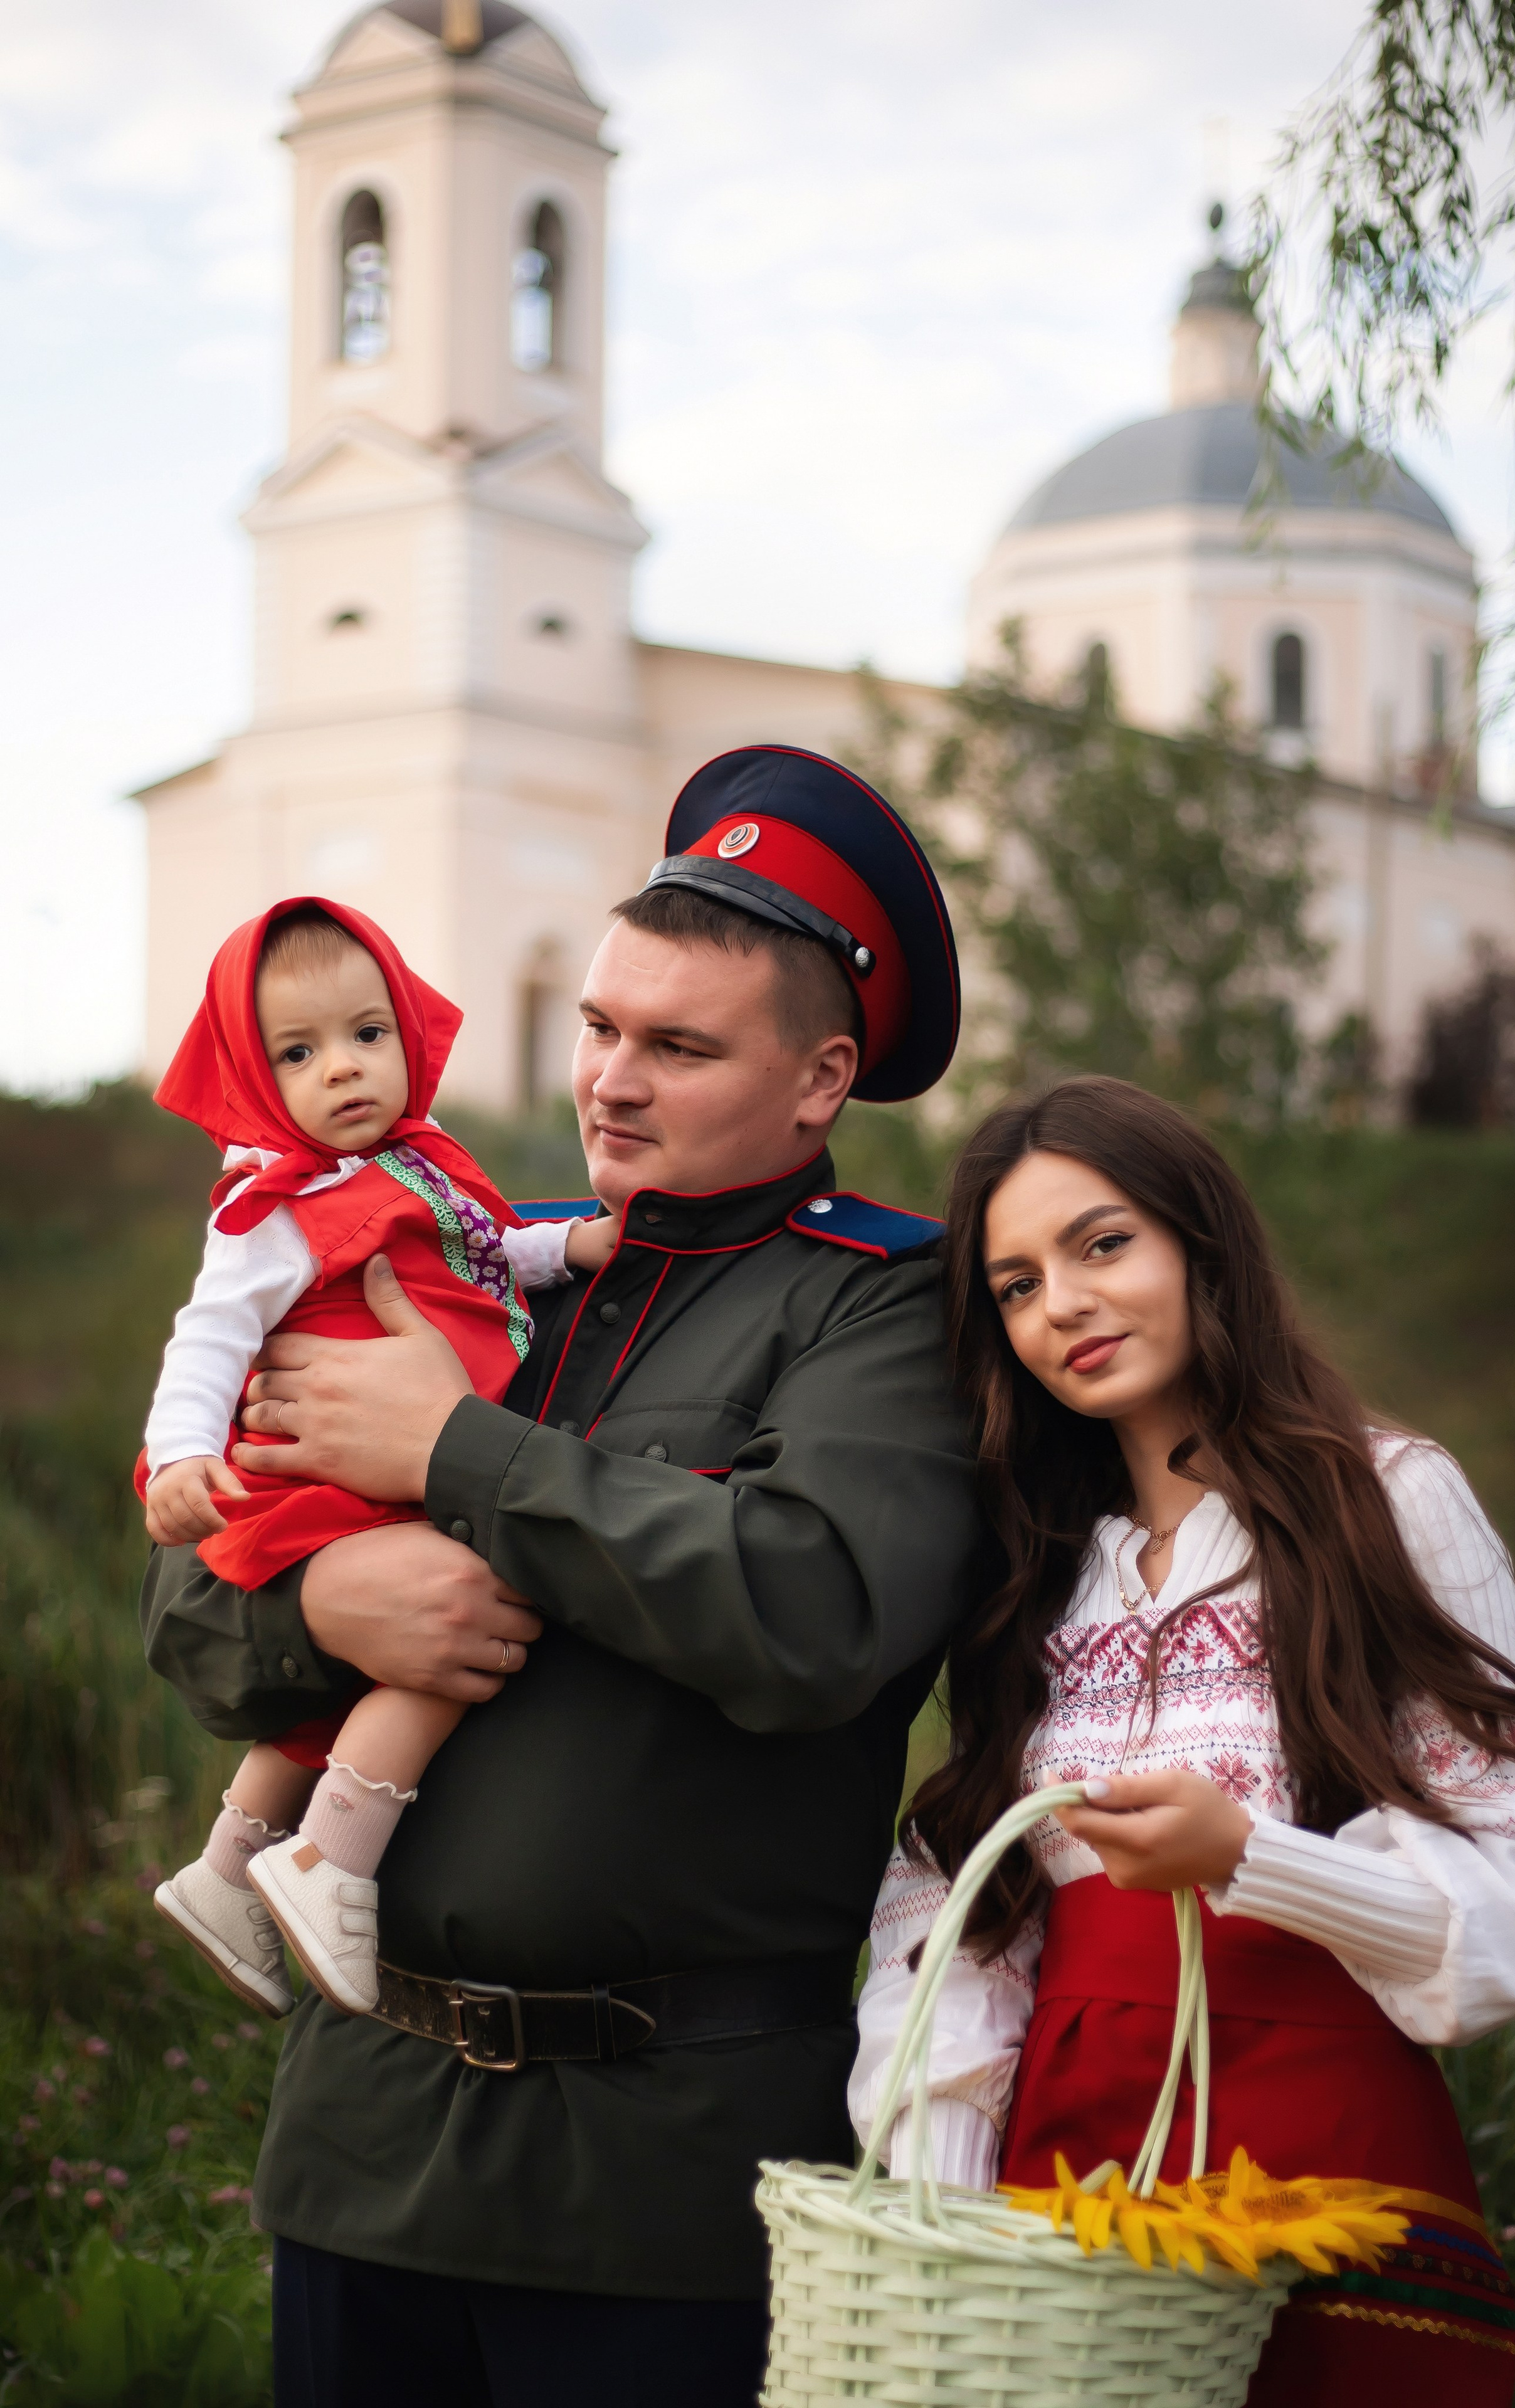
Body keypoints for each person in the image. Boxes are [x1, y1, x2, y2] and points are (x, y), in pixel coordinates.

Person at [141, 746, 982, 2408]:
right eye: (601, 1027)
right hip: (363, 2144)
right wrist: (324, 1608)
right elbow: (188, 1610)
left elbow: (811, 1616)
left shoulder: (883, 1309)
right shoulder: (448, 1258)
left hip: (659, 2187)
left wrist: (458, 1454)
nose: (611, 1081)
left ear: (821, 1079)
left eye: (680, 1047)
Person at [850, 1075, 1515, 2406]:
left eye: (1101, 1244)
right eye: (1017, 1286)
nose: (1062, 1305)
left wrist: (1253, 1860)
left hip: (1331, 2182)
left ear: (1202, 1242)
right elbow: (958, 1923)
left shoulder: (1385, 1498)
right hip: (1068, 2201)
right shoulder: (1028, 1571)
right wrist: (947, 2230)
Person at [140, 895, 612, 2022]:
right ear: (254, 1080)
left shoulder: (416, 1165)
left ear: (408, 1030)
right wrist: (180, 1452)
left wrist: (563, 1245)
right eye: (297, 1054)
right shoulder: (275, 1208)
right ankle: (332, 1857)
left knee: (379, 1648)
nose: (344, 1069)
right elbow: (209, 1335)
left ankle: (228, 1869)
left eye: (367, 1033)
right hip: (342, 1468)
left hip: (398, 1451)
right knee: (454, 1620)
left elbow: (479, 1256)